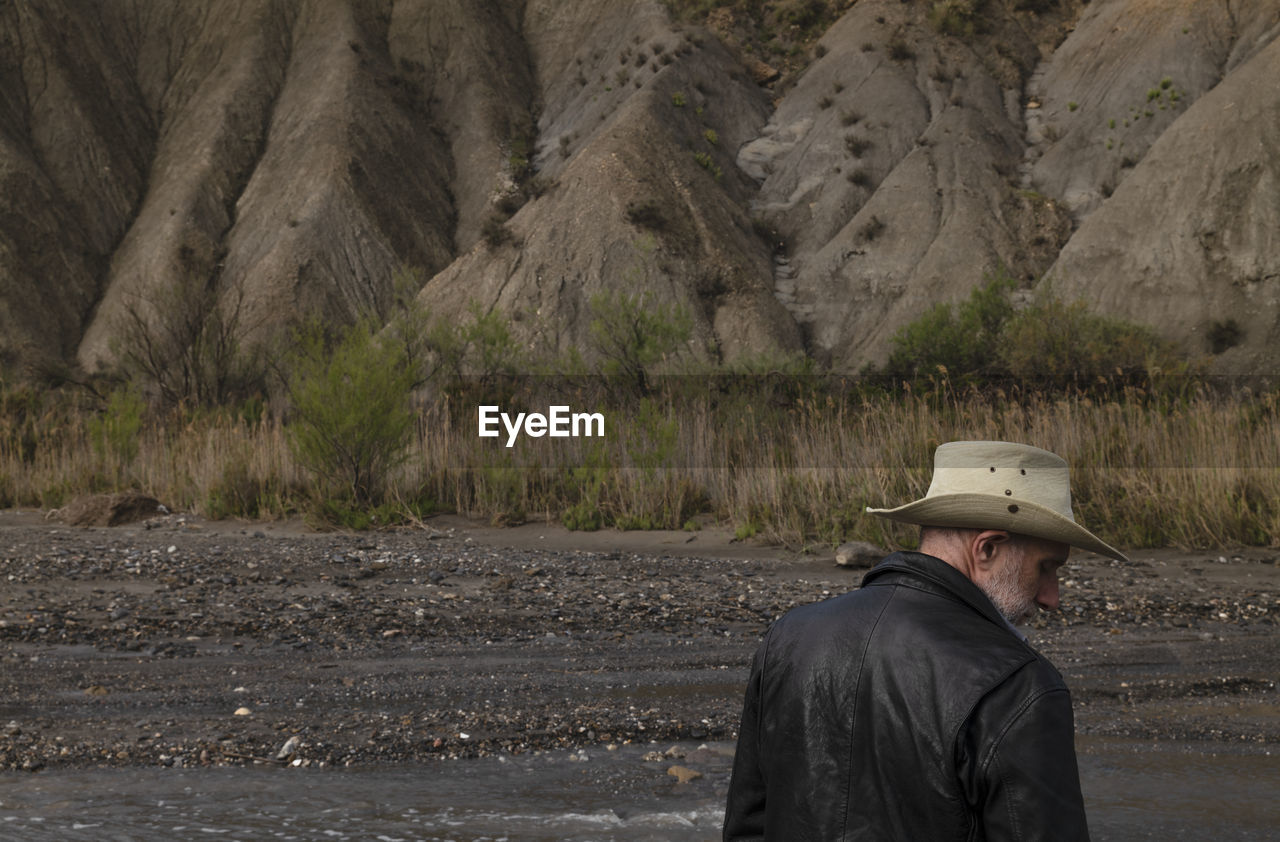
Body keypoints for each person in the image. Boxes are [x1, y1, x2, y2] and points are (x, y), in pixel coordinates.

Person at [723, 441, 1127, 841]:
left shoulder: (790, 636)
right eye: (1047, 567)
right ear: (986, 548)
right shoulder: (1018, 686)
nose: (1052, 597)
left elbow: (747, 828)